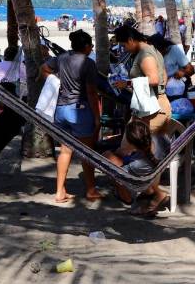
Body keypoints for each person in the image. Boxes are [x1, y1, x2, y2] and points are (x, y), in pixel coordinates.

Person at [43, 30, 103, 203]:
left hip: (61, 109)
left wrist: (56, 81)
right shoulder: (88, 63)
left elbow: (44, 68)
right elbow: (91, 92)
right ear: (85, 46)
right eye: (90, 45)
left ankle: (60, 191)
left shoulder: (61, 58)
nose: (91, 48)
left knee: (65, 150)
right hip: (80, 110)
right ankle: (91, 190)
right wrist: (97, 117)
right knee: (87, 152)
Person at [113, 25, 171, 135]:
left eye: (124, 45)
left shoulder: (145, 54)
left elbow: (154, 79)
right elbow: (164, 75)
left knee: (127, 148)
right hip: (160, 105)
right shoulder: (153, 49)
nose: (124, 49)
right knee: (155, 150)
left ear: (130, 40)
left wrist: (127, 83)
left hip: (153, 109)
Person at [102, 118, 165, 212]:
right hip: (155, 168)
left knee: (108, 159)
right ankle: (151, 192)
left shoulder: (137, 164)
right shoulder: (159, 138)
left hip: (141, 176)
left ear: (131, 143)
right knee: (113, 155)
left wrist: (109, 160)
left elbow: (120, 174)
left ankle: (127, 198)